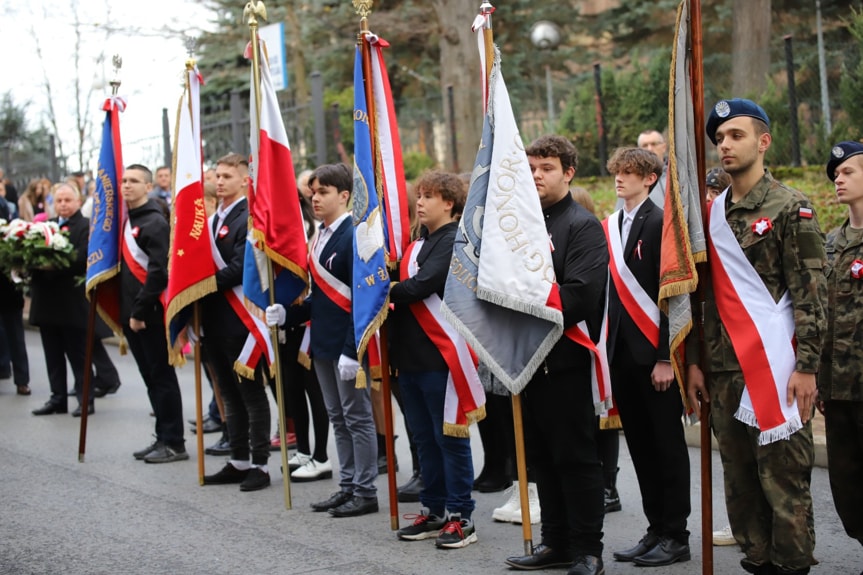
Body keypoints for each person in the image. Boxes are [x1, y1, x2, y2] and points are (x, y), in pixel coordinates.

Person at [686, 98, 825, 575]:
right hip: (724, 369)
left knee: (783, 476)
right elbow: (701, 298)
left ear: (763, 142)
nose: (724, 144)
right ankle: (759, 558)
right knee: (739, 478)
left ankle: (792, 564)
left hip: (779, 365)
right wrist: (694, 361)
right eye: (719, 138)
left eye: (736, 135)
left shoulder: (791, 206)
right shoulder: (711, 217)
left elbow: (811, 294)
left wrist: (808, 367)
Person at [505, 135, 607, 575]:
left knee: (576, 460)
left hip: (564, 361)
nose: (536, 175)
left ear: (568, 172)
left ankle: (587, 549)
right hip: (525, 361)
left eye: (545, 167)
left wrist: (522, 297)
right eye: (530, 167)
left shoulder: (581, 226)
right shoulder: (519, 224)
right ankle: (555, 543)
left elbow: (580, 296)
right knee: (541, 458)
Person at [270, 163, 378, 517]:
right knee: (337, 416)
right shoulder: (320, 236)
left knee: (357, 417)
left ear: (344, 196)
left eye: (324, 192)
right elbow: (322, 298)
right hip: (322, 343)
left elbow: (360, 301)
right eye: (313, 192)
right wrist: (290, 314)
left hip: (347, 346)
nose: (315, 198)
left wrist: (351, 349)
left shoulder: (353, 235)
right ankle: (347, 485)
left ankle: (365, 490)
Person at [603, 147, 691, 567]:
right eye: (617, 171)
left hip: (652, 358)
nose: (620, 178)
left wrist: (663, 357)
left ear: (650, 178)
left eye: (630, 172)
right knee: (639, 445)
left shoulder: (658, 223)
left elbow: (668, 296)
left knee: (667, 446)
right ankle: (656, 527)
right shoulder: (614, 224)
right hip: (621, 355)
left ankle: (676, 532)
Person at [390, 170, 480, 548]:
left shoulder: (452, 240)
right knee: (424, 439)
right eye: (419, 195)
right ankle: (434, 509)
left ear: (449, 203)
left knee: (450, 439)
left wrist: (389, 288)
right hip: (410, 358)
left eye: (429, 196)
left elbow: (420, 285)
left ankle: (461, 517)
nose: (420, 203)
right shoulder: (416, 243)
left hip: (441, 355)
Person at [201, 153, 271, 492]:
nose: (220, 181)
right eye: (217, 175)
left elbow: (238, 268)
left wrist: (197, 287)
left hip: (241, 319)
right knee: (227, 392)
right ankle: (239, 458)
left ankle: (259, 464)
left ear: (245, 180)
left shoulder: (248, 218)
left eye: (228, 176)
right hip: (213, 320)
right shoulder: (212, 219)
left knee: (251, 393)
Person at [119, 164, 188, 464]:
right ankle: (161, 436)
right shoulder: (127, 220)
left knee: (161, 376)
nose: (126, 185)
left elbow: (158, 272)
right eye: (123, 180)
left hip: (149, 312)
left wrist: (139, 311)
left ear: (148, 187)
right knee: (150, 377)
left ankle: (174, 442)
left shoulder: (154, 222)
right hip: (133, 312)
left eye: (134, 181)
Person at [267, 192, 332, 483]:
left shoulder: (310, 230)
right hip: (287, 321)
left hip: (308, 323)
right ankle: (304, 450)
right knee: (291, 389)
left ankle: (321, 456)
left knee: (314, 392)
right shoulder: (271, 232)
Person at [819, 141, 863, 552]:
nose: (839, 179)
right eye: (836, 174)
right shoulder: (831, 242)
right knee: (848, 488)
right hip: (837, 388)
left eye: (848, 171)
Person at [29, 183, 94, 416]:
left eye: (68, 200)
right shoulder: (44, 228)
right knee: (52, 354)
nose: (63, 205)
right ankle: (57, 398)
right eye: (59, 201)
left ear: (78, 202)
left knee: (78, 355)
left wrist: (53, 264)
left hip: (71, 302)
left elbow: (83, 256)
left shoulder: (86, 226)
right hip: (47, 301)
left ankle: (85, 399)